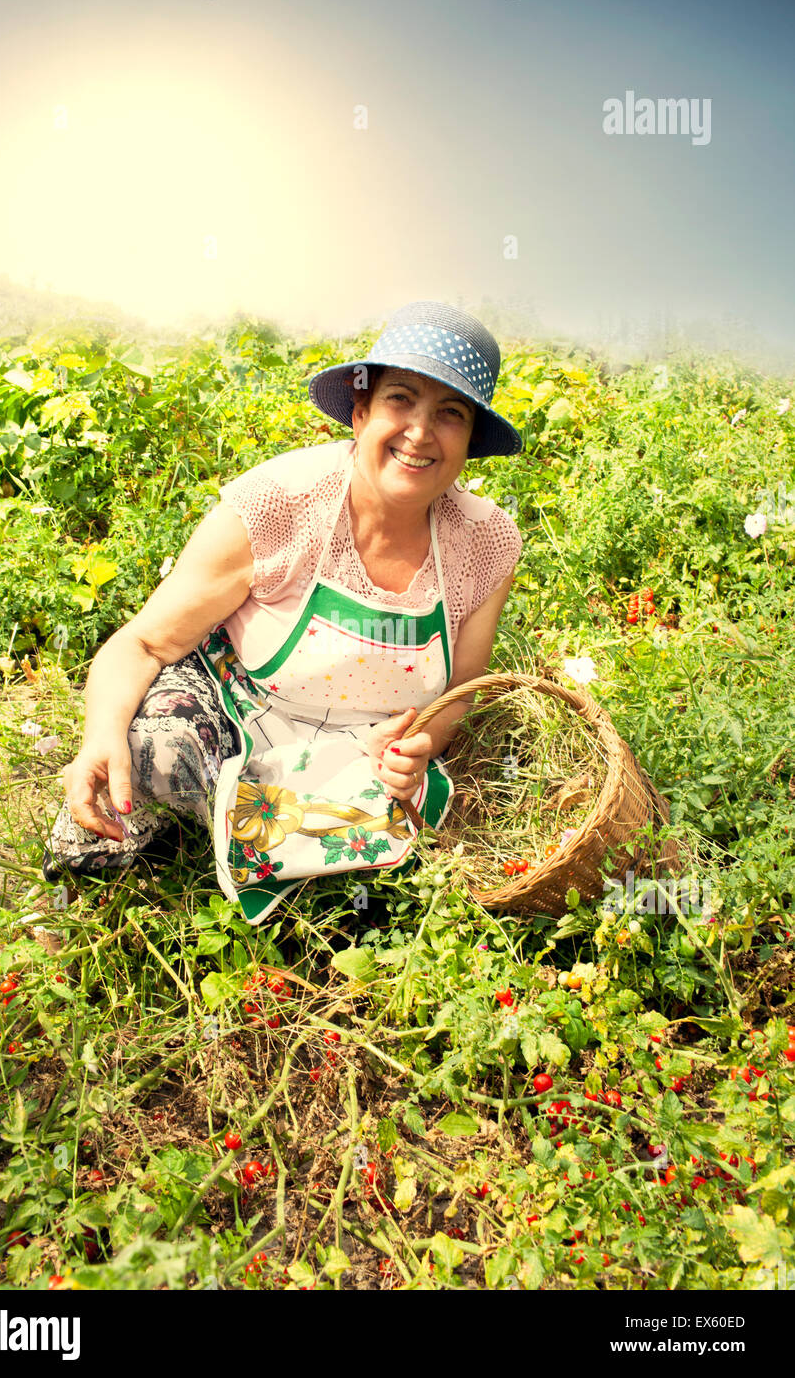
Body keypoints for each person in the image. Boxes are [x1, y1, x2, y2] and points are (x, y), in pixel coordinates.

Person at [43, 300, 524, 923]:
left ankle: (282, 873)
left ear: (470, 441)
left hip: (361, 752)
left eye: (450, 414)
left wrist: (423, 743)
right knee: (145, 751)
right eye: (400, 400)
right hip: (241, 711)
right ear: (360, 412)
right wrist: (98, 737)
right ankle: (88, 895)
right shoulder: (279, 505)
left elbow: (462, 690)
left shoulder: (484, 541)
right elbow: (143, 645)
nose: (420, 433)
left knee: (372, 900)